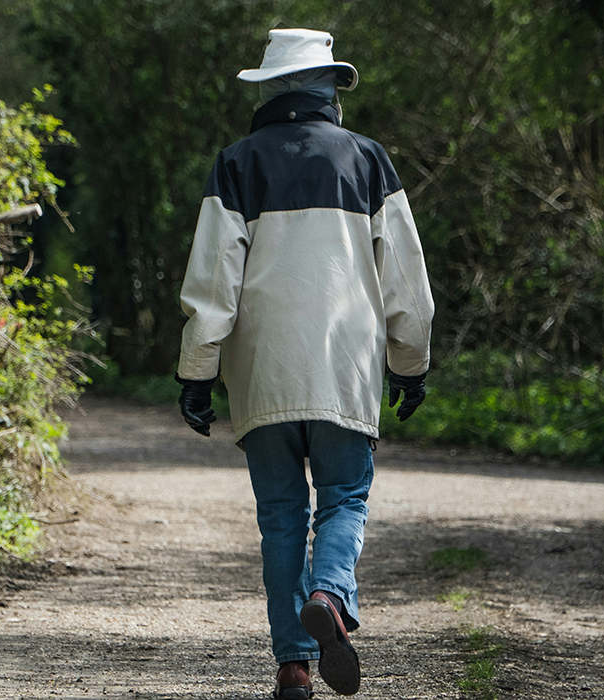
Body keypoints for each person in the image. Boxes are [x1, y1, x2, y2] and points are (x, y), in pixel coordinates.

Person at [174, 28, 434, 699]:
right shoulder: (369, 162)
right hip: (344, 369)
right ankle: (330, 595)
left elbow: (211, 286)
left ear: (270, 90)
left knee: (281, 516)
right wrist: (409, 362)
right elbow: (406, 284)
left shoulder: (236, 164)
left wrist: (197, 373)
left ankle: (294, 665)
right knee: (344, 497)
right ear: (325, 89)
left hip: (262, 376)